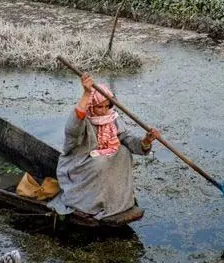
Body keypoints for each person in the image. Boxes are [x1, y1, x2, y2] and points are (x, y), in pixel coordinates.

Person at [50, 73, 160, 220]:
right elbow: (72, 130)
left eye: (106, 106)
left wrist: (146, 140)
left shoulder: (111, 118)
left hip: (102, 161)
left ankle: (115, 202)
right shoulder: (83, 118)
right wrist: (87, 92)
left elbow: (126, 138)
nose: (103, 110)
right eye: (99, 106)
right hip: (80, 163)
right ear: (90, 105)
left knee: (123, 152)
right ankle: (89, 204)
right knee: (101, 161)